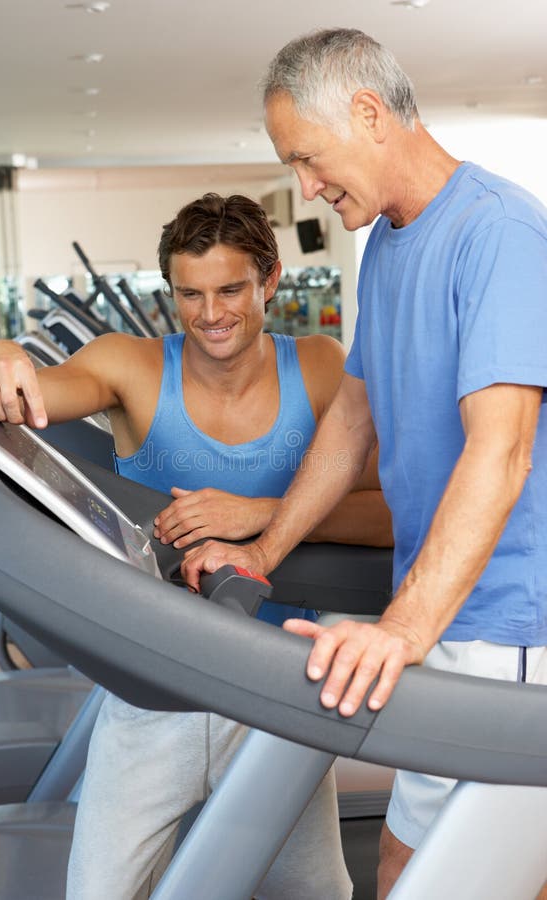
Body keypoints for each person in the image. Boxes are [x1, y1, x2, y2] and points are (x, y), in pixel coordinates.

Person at [180, 30, 547, 898]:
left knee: (470, 876)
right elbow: (351, 419)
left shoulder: (500, 234)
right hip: (440, 610)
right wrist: (262, 553)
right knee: (406, 869)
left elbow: (502, 450)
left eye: (307, 158)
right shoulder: (386, 244)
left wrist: (402, 630)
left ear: (370, 115)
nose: (305, 186)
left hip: (512, 624)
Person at [0, 192, 392, 899]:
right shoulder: (128, 366)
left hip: (276, 692)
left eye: (230, 290)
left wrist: (261, 515)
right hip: (153, 693)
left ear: (269, 280)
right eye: (190, 294)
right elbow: (26, 394)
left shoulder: (320, 368)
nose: (210, 313)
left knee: (317, 894)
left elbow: (388, 516)